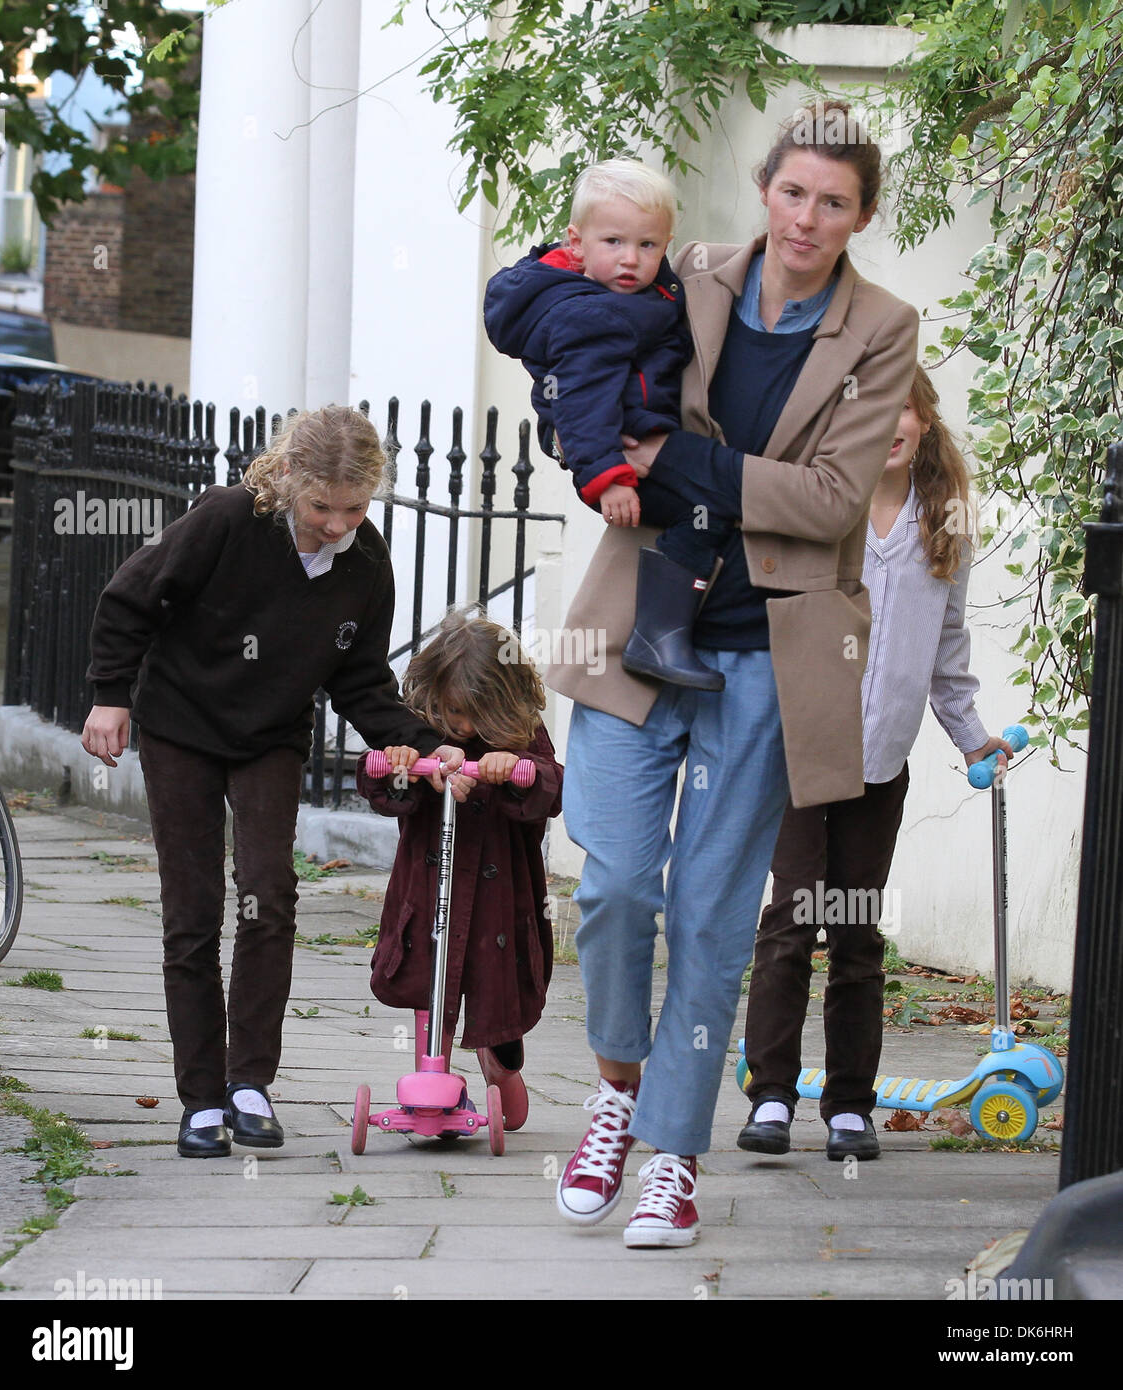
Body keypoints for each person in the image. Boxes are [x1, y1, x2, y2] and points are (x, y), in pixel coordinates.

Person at [544, 100, 920, 1248]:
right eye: (793, 191)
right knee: (612, 885)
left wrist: (688, 461)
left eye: (835, 202)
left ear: (861, 218)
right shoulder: (682, 272)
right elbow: (563, 333)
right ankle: (618, 1092)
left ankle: (673, 1155)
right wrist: (594, 437)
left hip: (769, 653)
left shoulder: (882, 329)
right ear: (765, 189)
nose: (808, 217)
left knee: (710, 916)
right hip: (642, 618)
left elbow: (827, 501)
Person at [81, 406, 463, 1158]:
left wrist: (424, 745)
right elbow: (130, 597)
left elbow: (359, 678)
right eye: (322, 506)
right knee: (191, 911)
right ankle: (199, 1101)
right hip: (182, 726)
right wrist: (109, 694)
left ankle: (249, 1083)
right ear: (289, 477)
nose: (336, 523)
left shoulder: (362, 559)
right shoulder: (226, 519)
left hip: (269, 738)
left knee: (268, 895)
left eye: (354, 508)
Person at [737, 365, 1015, 1160]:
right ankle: (772, 1098)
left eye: (906, 406)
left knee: (856, 931)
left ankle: (850, 1106)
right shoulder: (825, 512)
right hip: (804, 748)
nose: (890, 422)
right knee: (791, 921)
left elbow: (946, 648)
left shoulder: (943, 523)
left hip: (880, 761)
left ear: (924, 420)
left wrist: (969, 734)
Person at [484, 158, 740, 693]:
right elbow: (581, 399)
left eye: (649, 246)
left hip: (624, 443)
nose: (632, 259)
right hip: (615, 457)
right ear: (576, 243)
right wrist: (609, 477)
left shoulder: (624, 293)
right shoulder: (593, 315)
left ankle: (662, 631)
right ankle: (658, 637)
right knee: (708, 510)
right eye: (614, 242)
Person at [357, 611, 563, 1127]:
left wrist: (515, 771)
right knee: (431, 979)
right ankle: (433, 1074)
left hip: (500, 897)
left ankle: (502, 1067)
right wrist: (401, 766)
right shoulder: (423, 733)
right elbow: (377, 777)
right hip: (430, 891)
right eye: (454, 711)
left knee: (499, 990)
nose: (466, 727)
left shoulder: (522, 734)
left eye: (478, 713)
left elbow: (552, 786)